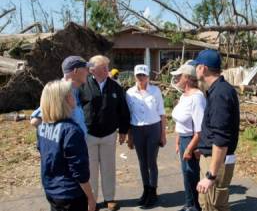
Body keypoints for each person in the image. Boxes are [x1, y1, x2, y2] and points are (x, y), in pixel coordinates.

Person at [79, 55, 131, 211]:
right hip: (89, 135)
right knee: (91, 170)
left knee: (109, 168)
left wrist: (123, 131)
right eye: (104, 67)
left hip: (109, 134)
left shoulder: (115, 87)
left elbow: (123, 110)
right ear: (93, 70)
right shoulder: (82, 86)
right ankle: (92, 201)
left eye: (107, 67)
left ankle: (110, 198)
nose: (107, 70)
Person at [36, 80, 95, 211]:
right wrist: (90, 197)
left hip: (51, 189)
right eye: (70, 94)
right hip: (70, 194)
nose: (74, 96)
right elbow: (79, 171)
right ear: (62, 100)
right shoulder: (71, 131)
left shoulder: (42, 126)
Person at [193, 50, 240, 211]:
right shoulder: (216, 90)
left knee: (214, 206)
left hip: (217, 162)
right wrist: (204, 148)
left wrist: (211, 175)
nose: (195, 70)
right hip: (212, 157)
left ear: (203, 68)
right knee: (207, 203)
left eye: (196, 66)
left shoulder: (220, 94)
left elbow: (221, 139)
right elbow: (214, 129)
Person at [125, 64, 167, 208]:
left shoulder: (155, 91)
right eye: (138, 75)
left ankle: (153, 191)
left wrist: (163, 134)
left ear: (148, 76)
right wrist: (130, 137)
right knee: (142, 162)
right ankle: (146, 190)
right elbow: (129, 115)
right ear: (135, 76)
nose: (141, 78)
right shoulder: (129, 93)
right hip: (137, 129)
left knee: (151, 161)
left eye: (143, 75)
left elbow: (162, 114)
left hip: (153, 128)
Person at [171, 61, 206, 211]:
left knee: (192, 175)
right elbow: (180, 119)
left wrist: (190, 148)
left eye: (179, 76)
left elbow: (200, 129)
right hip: (184, 139)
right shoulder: (184, 96)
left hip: (193, 141)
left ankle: (195, 206)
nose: (177, 79)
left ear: (187, 77)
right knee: (186, 174)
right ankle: (189, 204)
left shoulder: (197, 98)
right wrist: (178, 140)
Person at [30, 55, 91, 134]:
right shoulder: (59, 92)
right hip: (69, 145)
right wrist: (61, 137)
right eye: (85, 69)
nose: (88, 72)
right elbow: (35, 121)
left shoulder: (75, 90)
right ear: (75, 71)